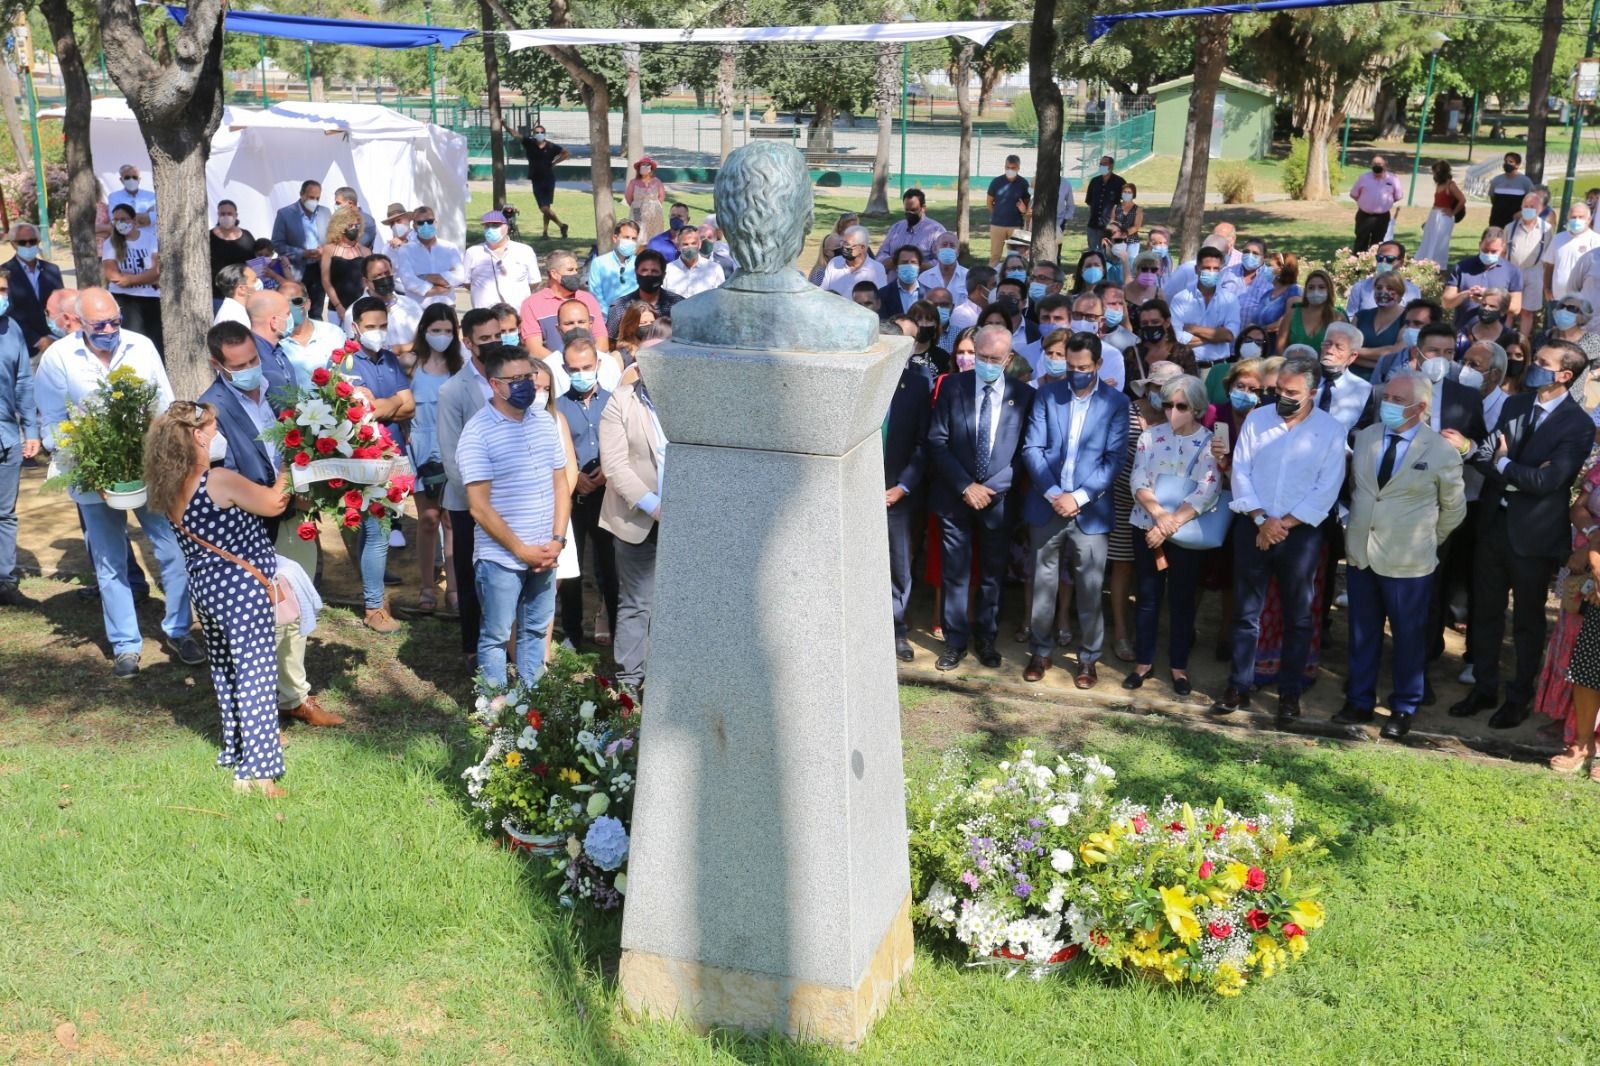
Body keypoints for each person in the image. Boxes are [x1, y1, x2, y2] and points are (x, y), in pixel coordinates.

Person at [35, 288, 201, 677]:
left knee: (173, 552)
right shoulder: (58, 358)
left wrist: (166, 453)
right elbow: (53, 421)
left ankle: (179, 630)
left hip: (147, 468)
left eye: (115, 321)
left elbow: (164, 404)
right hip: (92, 473)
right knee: (109, 561)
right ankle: (126, 644)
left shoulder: (140, 347)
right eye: (100, 325)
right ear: (77, 322)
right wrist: (88, 459)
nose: (110, 329)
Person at [199, 322, 339, 729]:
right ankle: (269, 701)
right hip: (249, 526)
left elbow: (304, 437)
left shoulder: (278, 386)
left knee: (294, 608)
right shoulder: (211, 410)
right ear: (217, 364)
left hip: (296, 513)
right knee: (267, 617)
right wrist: (274, 495)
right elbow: (222, 477)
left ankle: (293, 695)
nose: (250, 370)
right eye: (238, 365)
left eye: (253, 360)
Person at [145, 402, 291, 795]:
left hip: (207, 588)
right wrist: (291, 468)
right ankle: (259, 772)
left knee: (227, 671)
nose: (218, 432)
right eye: (213, 426)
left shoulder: (173, 486)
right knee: (257, 674)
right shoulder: (218, 479)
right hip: (241, 587)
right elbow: (275, 503)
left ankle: (238, 748)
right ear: (198, 435)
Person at [1451, 340, 1595, 729]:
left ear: (1564, 375)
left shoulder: (1578, 425)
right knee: (1485, 612)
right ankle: (1483, 687)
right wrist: (1510, 468)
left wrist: (1504, 462)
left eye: (1543, 363)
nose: (1533, 366)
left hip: (1534, 539)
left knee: (1528, 623)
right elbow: (1481, 456)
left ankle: (1518, 697)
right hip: (1493, 528)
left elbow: (1548, 481)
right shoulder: (1515, 405)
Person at [1213, 352, 1347, 724]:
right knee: (1246, 612)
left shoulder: (1331, 431)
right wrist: (1260, 519)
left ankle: (1289, 692)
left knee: (1299, 616)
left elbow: (1326, 488)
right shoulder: (1257, 419)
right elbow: (1241, 472)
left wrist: (1281, 524)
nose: (1282, 397)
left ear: (1313, 392)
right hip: (1253, 529)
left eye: (1292, 392)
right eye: (1278, 390)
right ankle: (1238, 684)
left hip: (1301, 535)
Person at [1334, 370, 1467, 738]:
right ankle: (1358, 700)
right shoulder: (1366, 437)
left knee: (1409, 637)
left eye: (1396, 400)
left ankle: (1404, 707)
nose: (1386, 405)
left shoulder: (1440, 450)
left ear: (1421, 407)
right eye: (1386, 398)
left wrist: (1427, 539)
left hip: (1409, 562)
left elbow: (1454, 509)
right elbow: (1361, 490)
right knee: (1362, 633)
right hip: (1362, 554)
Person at [1015, 330, 1126, 687]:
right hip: (1047, 505)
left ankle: (1088, 659)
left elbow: (1113, 459)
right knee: (1043, 583)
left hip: (1089, 512)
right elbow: (1032, 448)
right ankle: (1040, 651)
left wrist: (1077, 498)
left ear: (1097, 365)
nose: (1076, 372)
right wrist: (1052, 492)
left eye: (1083, 367)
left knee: (1090, 587)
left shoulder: (1116, 403)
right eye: (1070, 365)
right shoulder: (1047, 395)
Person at [456, 344, 569, 687]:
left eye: (529, 377)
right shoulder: (477, 433)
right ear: (494, 384)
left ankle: (531, 703)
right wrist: (521, 549)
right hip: (500, 558)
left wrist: (557, 540)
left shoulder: (545, 422)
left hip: (546, 552)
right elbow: (478, 506)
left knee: (535, 629)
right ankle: (496, 712)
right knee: (496, 635)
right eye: (516, 379)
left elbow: (560, 485)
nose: (526, 385)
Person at [927, 324, 1033, 672]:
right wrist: (965, 486)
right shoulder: (953, 386)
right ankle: (955, 642)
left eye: (993, 359)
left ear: (1009, 359)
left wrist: (993, 487)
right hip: (955, 497)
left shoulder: (1024, 394)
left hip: (998, 502)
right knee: (955, 573)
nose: (985, 363)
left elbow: (1023, 453)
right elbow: (937, 440)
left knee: (992, 574)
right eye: (981, 356)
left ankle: (986, 639)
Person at [1123, 371, 1221, 695]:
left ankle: (1179, 666)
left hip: (1187, 533)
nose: (1172, 411)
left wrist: (1170, 524)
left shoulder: (1209, 443)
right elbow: (1138, 481)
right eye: (1168, 404)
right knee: (1148, 598)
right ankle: (1143, 662)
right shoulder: (1149, 437)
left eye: (1181, 406)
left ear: (1196, 407)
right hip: (1147, 527)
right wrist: (1160, 517)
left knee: (1182, 601)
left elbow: (1208, 490)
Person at [342, 296, 416, 633]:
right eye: (371, 327)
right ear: (355, 327)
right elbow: (360, 413)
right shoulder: (344, 364)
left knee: (377, 531)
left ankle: (371, 583)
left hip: (395, 454)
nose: (378, 332)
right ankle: (374, 607)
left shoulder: (389, 360)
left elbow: (409, 407)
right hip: (366, 459)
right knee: (378, 532)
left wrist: (386, 404)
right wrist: (393, 403)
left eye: (383, 326)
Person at [438, 308, 503, 664]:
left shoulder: (512, 376)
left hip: (509, 499)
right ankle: (471, 645)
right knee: (469, 572)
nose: (493, 343)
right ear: (467, 343)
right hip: (468, 501)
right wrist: (481, 500)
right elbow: (451, 456)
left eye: (498, 336)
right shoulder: (453, 390)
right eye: (485, 339)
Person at [598, 353, 666, 692]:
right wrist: (655, 507)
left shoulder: (697, 396)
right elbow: (614, 465)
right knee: (637, 602)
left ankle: (666, 676)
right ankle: (629, 682)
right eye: (644, 360)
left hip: (692, 519)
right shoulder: (621, 401)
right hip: (639, 517)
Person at [556, 334, 617, 649]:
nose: (581, 373)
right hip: (574, 498)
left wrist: (608, 472)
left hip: (609, 499)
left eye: (587, 367)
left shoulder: (615, 401)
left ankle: (619, 631)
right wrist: (576, 476)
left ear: (598, 364)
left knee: (611, 568)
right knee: (572, 570)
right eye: (574, 368)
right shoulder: (558, 407)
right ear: (565, 369)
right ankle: (572, 634)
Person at [884, 330, 933, 662]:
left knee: (899, 565)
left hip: (896, 494)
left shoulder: (915, 386)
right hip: (854, 491)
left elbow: (923, 443)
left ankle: (897, 628)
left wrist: (902, 487)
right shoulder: (856, 384)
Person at [411, 305, 462, 613]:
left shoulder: (461, 367)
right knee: (428, 518)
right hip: (420, 447)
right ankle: (427, 585)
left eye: (447, 330)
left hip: (454, 448)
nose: (441, 336)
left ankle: (454, 588)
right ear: (424, 331)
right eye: (435, 330)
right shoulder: (411, 365)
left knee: (451, 519)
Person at [0, 269, 36, 606]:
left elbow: (24, 382)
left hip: (7, 438)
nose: (3, 296)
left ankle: (5, 583)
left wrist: (32, 430)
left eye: (4, 290)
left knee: (5, 514)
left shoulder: (12, 330)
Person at [101, 203, 162, 354]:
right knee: (132, 341)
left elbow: (156, 271)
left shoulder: (150, 239)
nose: (120, 223)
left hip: (150, 298)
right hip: (124, 300)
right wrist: (145, 277)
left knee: (154, 341)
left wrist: (130, 280)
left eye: (124, 219)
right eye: (116, 220)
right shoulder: (110, 243)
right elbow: (112, 274)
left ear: (134, 220)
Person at [1168, 246, 1240, 369]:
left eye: (1216, 268)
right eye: (1207, 268)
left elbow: (1229, 335)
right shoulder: (1180, 298)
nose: (1211, 272)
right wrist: (1217, 336)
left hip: (1218, 367)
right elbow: (1177, 337)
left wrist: (1192, 328)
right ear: (1197, 269)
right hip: (1188, 366)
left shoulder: (1230, 299)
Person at [270, 180, 331, 319]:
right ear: (301, 195)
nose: (314, 201)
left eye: (317, 198)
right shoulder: (285, 214)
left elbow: (333, 239)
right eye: (311, 197)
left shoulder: (325, 212)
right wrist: (302, 253)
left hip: (319, 268)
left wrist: (324, 251)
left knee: (317, 311)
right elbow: (277, 243)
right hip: (296, 271)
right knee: (296, 311)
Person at [1442, 227, 1523, 330]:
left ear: (1503, 248)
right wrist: (1466, 294)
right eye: (1485, 250)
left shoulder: (1512, 271)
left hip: (1495, 334)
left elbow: (1516, 308)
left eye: (1494, 252)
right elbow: (1446, 302)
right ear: (1479, 245)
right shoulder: (1462, 267)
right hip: (1464, 332)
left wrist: (1489, 298)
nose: (1489, 254)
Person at [465, 209, 541, 310]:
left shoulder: (524, 251)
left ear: (507, 227)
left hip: (517, 314)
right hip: (484, 316)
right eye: (487, 226)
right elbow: (466, 282)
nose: (491, 229)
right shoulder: (473, 252)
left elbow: (534, 282)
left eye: (496, 225)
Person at [275, 279, 345, 388]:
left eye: (296, 301)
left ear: (307, 304)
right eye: (283, 303)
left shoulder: (333, 333)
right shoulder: (274, 343)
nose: (289, 308)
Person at [395, 205, 465, 311]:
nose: (426, 225)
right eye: (420, 223)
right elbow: (409, 282)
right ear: (414, 226)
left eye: (429, 221)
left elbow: (460, 276)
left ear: (436, 223)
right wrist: (441, 287)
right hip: (418, 309)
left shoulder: (450, 248)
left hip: (447, 307)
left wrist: (425, 276)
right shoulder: (405, 250)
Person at [1506, 192, 1554, 337]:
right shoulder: (1510, 227)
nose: (1528, 209)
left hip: (1535, 272)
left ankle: (1523, 342)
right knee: (1509, 310)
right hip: (1512, 272)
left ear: (1539, 209)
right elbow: (1504, 250)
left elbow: (1550, 255)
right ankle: (1505, 339)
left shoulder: (1547, 229)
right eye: (1525, 206)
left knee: (1527, 311)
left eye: (1532, 206)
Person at [605, 251, 680, 340]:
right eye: (644, 270)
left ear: (663, 275)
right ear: (636, 273)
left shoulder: (677, 305)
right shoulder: (619, 307)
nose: (649, 275)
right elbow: (610, 341)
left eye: (654, 271)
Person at [318, 202, 370, 329]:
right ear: (340, 226)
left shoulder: (365, 251)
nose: (354, 228)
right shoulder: (329, 249)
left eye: (357, 225)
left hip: (361, 308)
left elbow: (369, 282)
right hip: (336, 309)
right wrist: (338, 306)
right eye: (350, 225)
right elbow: (326, 281)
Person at [360, 255, 422, 358]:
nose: (384, 278)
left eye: (387, 273)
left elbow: (424, 339)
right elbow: (358, 350)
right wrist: (397, 350)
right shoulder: (356, 311)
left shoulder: (411, 305)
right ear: (366, 281)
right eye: (378, 276)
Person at [1353, 273, 1409, 378]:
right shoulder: (1361, 316)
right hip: (1354, 378)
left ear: (1400, 294)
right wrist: (1382, 364)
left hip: (1387, 381)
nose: (1383, 291)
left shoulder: (1408, 318)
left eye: (1390, 288)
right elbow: (1346, 349)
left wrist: (1356, 352)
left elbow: (1397, 352)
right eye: (1379, 288)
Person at [518, 123, 570, 238]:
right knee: (545, 208)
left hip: (548, 179)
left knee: (545, 207)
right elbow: (516, 135)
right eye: (537, 132)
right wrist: (505, 126)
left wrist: (555, 162)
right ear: (533, 134)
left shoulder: (551, 146)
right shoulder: (529, 143)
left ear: (544, 134)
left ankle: (561, 226)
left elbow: (566, 153)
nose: (539, 134)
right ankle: (546, 232)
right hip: (536, 179)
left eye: (541, 132)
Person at [1274, 268, 1343, 354]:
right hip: (1293, 365)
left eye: (1321, 287)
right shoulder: (1292, 314)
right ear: (1306, 290)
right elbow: (1280, 347)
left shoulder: (1337, 317)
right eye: (1311, 288)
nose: (1316, 291)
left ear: (1329, 291)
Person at [1543, 202, 1600, 306]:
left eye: (1581, 217)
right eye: (1573, 217)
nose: (1577, 220)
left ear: (1589, 219)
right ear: (1568, 219)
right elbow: (1550, 266)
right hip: (1557, 299)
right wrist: (1546, 289)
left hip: (1583, 302)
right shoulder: (1558, 239)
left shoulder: (1596, 241)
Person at [876, 188, 947, 266]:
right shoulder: (896, 228)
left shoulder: (936, 231)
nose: (910, 213)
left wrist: (918, 266)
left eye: (913, 210)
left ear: (923, 208)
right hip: (894, 276)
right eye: (907, 210)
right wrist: (893, 263)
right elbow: (881, 254)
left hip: (921, 276)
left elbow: (942, 261)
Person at [1346, 241, 1422, 314]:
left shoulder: (1412, 291)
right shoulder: (1360, 287)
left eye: (1390, 259)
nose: (1383, 262)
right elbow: (1351, 316)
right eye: (1380, 258)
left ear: (1401, 263)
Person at [1349, 154, 1404, 251]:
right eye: (1374, 164)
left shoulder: (1393, 179)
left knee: (1378, 243)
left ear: (1385, 165)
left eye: (1379, 164)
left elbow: (1398, 196)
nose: (1377, 166)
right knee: (1361, 241)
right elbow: (1354, 194)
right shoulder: (1364, 178)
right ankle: (1357, 264)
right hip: (1364, 216)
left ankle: (1375, 263)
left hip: (1382, 217)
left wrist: (1386, 203)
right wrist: (1365, 203)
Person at [1417, 161, 1467, 265]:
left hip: (1444, 217)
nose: (1434, 175)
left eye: (1435, 172)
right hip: (1434, 215)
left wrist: (1453, 213)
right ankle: (1425, 263)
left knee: (1439, 243)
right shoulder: (1439, 184)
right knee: (1428, 240)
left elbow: (1462, 200)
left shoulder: (1451, 185)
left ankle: (1438, 265)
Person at [589, 220, 642, 315]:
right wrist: (610, 316)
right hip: (607, 319)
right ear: (615, 238)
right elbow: (596, 295)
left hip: (635, 318)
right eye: (626, 237)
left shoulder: (640, 263)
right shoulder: (599, 263)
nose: (630, 241)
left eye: (634, 238)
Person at [986, 155, 1031, 264]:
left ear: (1018, 168)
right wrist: (997, 214)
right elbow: (989, 202)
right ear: (1004, 167)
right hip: (997, 225)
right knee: (995, 256)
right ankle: (992, 278)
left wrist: (1024, 210)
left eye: (1013, 168)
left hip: (1016, 225)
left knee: (1018, 257)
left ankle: (1017, 278)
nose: (1010, 170)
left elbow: (1028, 206)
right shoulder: (996, 182)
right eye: (1008, 167)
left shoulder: (1024, 183)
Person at [821, 225, 887, 298]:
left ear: (862, 248)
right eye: (842, 243)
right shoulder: (834, 263)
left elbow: (879, 299)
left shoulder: (876, 269)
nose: (843, 247)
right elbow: (823, 292)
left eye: (847, 244)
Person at [663, 223, 725, 298]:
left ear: (699, 244)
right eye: (685, 244)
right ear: (678, 246)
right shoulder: (668, 270)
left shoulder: (714, 269)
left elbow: (720, 299)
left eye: (693, 243)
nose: (690, 247)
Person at [1083, 155, 1126, 251]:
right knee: (1093, 250)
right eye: (1101, 164)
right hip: (1093, 224)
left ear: (1111, 166)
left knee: (1108, 251)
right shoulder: (1094, 181)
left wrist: (1115, 220)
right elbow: (1090, 201)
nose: (1102, 166)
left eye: (1105, 164)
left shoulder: (1120, 182)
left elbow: (1125, 203)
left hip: (1110, 226)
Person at [1488, 151, 1537, 230]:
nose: (1507, 164)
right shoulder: (1496, 180)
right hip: (1496, 221)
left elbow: (1532, 202)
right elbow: (1493, 199)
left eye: (1511, 162)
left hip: (1517, 222)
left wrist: (1521, 213)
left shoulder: (1525, 182)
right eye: (1506, 161)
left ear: (1517, 165)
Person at [946, 265, 993, 343]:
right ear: (980, 288)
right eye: (993, 285)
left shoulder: (994, 309)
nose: (997, 289)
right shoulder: (961, 315)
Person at [624, 156, 667, 241]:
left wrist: (655, 206)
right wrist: (637, 206)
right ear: (639, 168)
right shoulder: (633, 182)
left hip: (654, 211)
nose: (645, 167)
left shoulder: (657, 181)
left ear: (651, 168)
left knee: (654, 232)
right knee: (638, 230)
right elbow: (628, 197)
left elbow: (661, 196)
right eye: (643, 165)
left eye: (647, 165)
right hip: (637, 209)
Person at [878, 246, 927, 318]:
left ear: (919, 267)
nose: (909, 266)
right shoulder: (882, 294)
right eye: (904, 262)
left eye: (913, 262)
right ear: (896, 267)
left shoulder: (928, 294)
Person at [209, 200, 256, 273]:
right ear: (218, 215)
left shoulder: (247, 236)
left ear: (236, 215)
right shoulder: (208, 237)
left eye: (229, 214)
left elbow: (254, 261)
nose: (226, 216)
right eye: (223, 214)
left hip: (242, 282)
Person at [921, 232, 967, 304]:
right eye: (944, 245)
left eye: (952, 246)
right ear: (935, 250)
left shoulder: (968, 276)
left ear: (958, 252)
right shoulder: (924, 277)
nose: (948, 248)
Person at [212, 264, 257, 328]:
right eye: (254, 280)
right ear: (242, 289)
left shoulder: (236, 311)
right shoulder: (233, 317)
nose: (258, 282)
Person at [1111, 182, 1143, 256]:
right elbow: (1112, 222)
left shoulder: (1138, 209)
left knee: (1130, 263)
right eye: (1124, 192)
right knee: (1117, 263)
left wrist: (1124, 234)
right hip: (1117, 240)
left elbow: (1136, 226)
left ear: (1133, 194)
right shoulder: (1116, 207)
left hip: (1132, 242)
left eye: (1129, 192)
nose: (1126, 194)